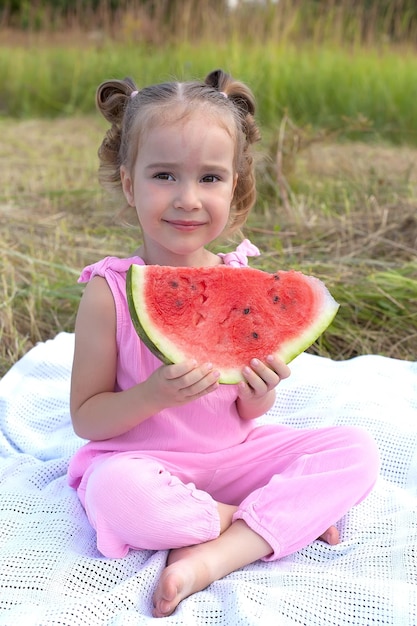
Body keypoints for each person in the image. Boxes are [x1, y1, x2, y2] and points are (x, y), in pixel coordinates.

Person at [68, 69, 380, 618]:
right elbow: (87, 420)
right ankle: (255, 522)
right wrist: (152, 396)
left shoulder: (244, 281)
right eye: (164, 175)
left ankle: (208, 555)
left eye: (210, 178)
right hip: (139, 460)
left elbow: (244, 411)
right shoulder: (110, 293)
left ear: (234, 186)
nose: (188, 199)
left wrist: (259, 394)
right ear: (128, 183)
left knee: (356, 450)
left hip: (237, 455)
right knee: (116, 496)